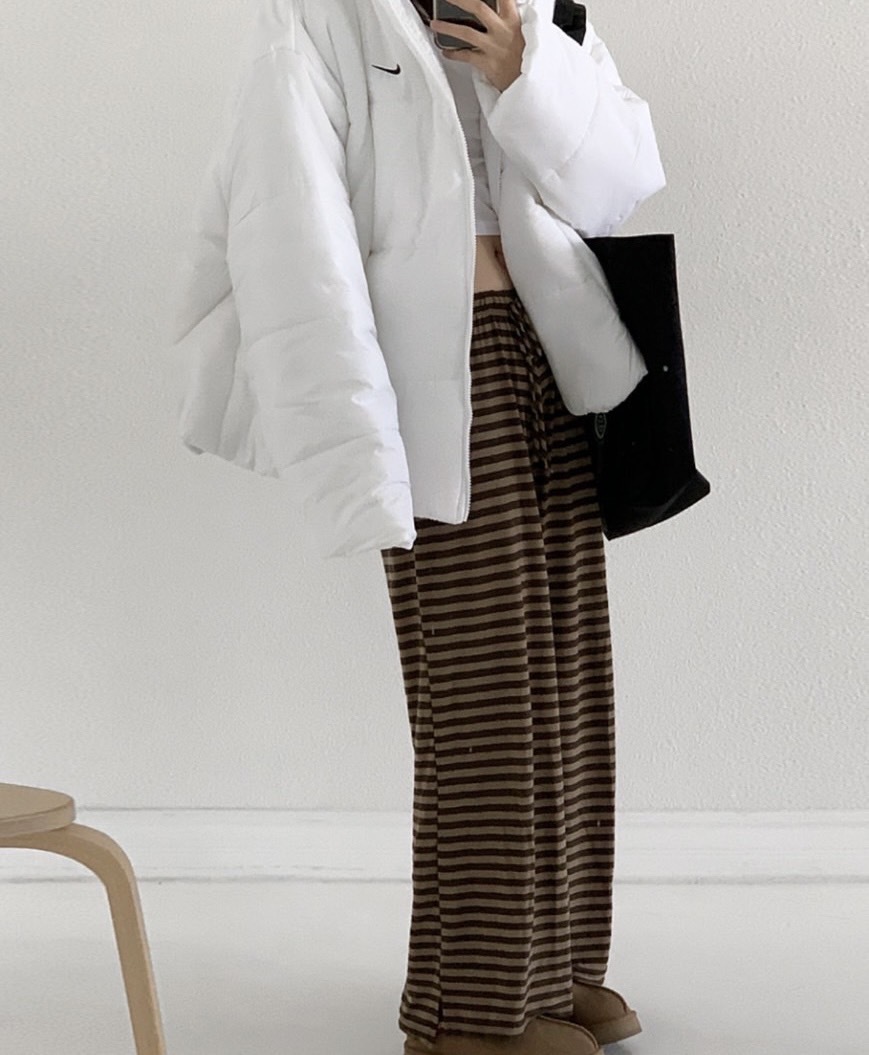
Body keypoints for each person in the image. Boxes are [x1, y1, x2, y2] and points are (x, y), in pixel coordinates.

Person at [170, 1, 666, 1052]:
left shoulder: (531, 10)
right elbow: (291, 238)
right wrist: (354, 450)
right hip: (434, 371)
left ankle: (555, 969)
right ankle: (468, 1014)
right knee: (483, 700)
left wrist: (526, 70)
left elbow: (619, 180)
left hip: (546, 352)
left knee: (568, 683)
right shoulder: (313, 20)